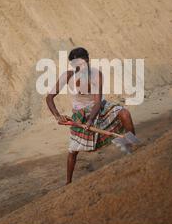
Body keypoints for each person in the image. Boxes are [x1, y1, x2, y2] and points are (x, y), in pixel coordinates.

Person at [46, 47, 136, 184]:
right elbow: (49, 98)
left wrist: (90, 120)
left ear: (87, 61)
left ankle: (133, 151)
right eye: (75, 65)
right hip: (80, 113)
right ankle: (68, 182)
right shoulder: (68, 76)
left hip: (98, 107)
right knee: (73, 150)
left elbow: (98, 102)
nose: (79, 68)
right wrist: (58, 116)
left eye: (82, 64)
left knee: (124, 114)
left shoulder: (96, 74)